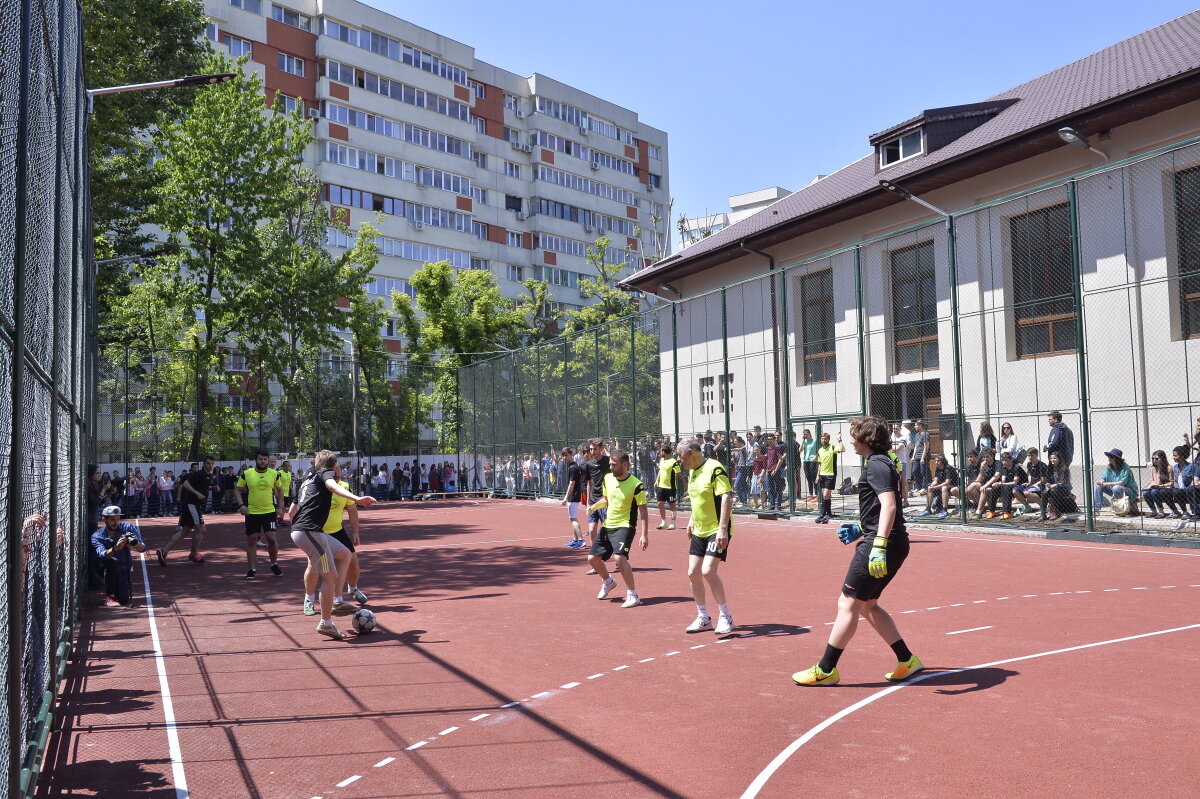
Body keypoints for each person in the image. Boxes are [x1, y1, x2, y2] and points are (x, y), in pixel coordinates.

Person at [793, 416, 919, 686]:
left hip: (884, 543)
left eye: (853, 435)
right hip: (886, 539)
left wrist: (878, 545)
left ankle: (826, 669)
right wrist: (862, 528)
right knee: (868, 605)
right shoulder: (883, 462)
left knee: (847, 603)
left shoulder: (876, 465)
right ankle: (907, 659)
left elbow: (889, 506)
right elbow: (882, 507)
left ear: (866, 438)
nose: (850, 439)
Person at [289, 450, 377, 640]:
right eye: (337, 466)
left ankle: (337, 601)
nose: (339, 470)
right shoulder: (325, 474)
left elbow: (291, 511)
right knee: (330, 576)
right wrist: (357, 499)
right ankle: (326, 623)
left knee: (345, 553)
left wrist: (297, 528)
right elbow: (332, 486)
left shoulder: (307, 480)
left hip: (308, 531)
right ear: (332, 465)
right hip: (309, 532)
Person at [676, 437, 736, 637]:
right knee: (693, 572)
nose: (679, 459)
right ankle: (703, 618)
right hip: (700, 530)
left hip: (716, 529)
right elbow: (697, 499)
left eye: (680, 455)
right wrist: (692, 519)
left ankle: (725, 616)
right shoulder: (692, 472)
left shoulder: (714, 468)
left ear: (691, 452)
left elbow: (726, 497)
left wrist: (722, 529)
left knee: (708, 571)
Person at [586, 449, 649, 608]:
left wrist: (644, 535)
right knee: (592, 559)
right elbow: (606, 499)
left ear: (625, 464)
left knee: (620, 558)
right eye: (610, 465)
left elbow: (643, 511)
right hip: (608, 525)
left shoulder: (636, 485)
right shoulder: (607, 478)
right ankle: (608, 582)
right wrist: (594, 506)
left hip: (625, 526)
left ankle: (633, 595)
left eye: (614, 465)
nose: (611, 467)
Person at [302, 462, 368, 617]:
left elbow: (352, 510)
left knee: (353, 565)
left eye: (340, 476)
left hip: (338, 531)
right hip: (318, 531)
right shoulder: (317, 486)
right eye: (335, 476)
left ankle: (352, 589)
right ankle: (308, 599)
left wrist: (355, 532)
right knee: (313, 567)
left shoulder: (344, 487)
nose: (337, 479)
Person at [235, 451, 285, 579]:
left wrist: (280, 507)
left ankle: (274, 564)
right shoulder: (247, 474)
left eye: (265, 459)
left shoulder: (275, 474)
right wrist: (241, 505)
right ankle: (252, 569)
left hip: (269, 511)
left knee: (271, 537)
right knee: (252, 540)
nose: (263, 461)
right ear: (255, 460)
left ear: (268, 460)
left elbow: (280, 490)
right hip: (252, 512)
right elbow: (237, 489)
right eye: (260, 459)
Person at [157, 457, 214, 565]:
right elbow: (186, 484)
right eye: (208, 463)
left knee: (186, 531)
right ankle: (194, 554)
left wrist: (212, 489)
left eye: (212, 463)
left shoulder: (208, 476)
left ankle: (163, 551)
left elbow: (201, 489)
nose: (210, 465)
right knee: (201, 529)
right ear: (204, 464)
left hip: (192, 505)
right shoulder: (199, 474)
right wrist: (197, 494)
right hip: (192, 504)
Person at [92, 505, 147, 607]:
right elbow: (103, 555)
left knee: (123, 599)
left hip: (123, 566)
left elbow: (143, 548)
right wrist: (116, 548)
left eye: (118, 519)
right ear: (104, 519)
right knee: (112, 561)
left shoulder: (127, 527)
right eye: (112, 520)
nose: (116, 523)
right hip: (105, 566)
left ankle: (120, 590)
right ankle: (109, 596)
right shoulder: (97, 536)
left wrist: (134, 544)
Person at [1093, 448, 1139, 513]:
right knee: (1098, 487)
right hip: (1115, 489)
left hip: (1130, 491)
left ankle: (1121, 509)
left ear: (1116, 459)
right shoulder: (1109, 467)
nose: (1109, 458)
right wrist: (1101, 481)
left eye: (1111, 457)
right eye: (1109, 456)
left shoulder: (1125, 467)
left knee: (1116, 488)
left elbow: (1122, 483)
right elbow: (1103, 477)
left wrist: (1106, 484)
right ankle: (1096, 509)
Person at [557, 447, 587, 549]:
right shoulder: (572, 466)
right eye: (563, 455)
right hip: (574, 495)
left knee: (573, 518)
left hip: (573, 496)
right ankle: (575, 540)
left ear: (571, 455)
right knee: (573, 516)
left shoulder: (573, 467)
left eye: (566, 455)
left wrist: (566, 497)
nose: (565, 457)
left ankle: (581, 540)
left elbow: (572, 483)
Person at [584, 438, 611, 545]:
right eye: (591, 449)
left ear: (601, 449)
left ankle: (610, 551)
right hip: (592, 501)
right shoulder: (589, 465)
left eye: (595, 449)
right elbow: (589, 483)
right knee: (591, 530)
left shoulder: (609, 462)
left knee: (608, 530)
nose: (592, 452)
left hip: (604, 501)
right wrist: (587, 503)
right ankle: (594, 553)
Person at [815, 431, 845, 524]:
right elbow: (820, 463)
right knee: (825, 496)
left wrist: (839, 440)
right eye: (822, 438)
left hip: (830, 475)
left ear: (828, 439)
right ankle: (827, 514)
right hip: (822, 475)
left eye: (825, 438)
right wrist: (817, 475)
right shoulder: (820, 450)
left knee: (825, 495)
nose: (824, 440)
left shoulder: (832, 447)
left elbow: (842, 449)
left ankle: (825, 513)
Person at [987, 451, 1026, 519]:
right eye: (1003, 460)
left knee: (1006, 488)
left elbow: (1015, 482)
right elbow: (1003, 481)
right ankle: (992, 511)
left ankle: (1007, 512)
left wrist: (1001, 484)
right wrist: (998, 484)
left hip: (1021, 486)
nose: (1004, 462)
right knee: (995, 489)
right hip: (1008, 486)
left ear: (1011, 460)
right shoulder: (1004, 468)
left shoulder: (1016, 467)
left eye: (1006, 460)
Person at [917, 454, 957, 519]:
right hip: (941, 486)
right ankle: (928, 509)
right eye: (935, 461)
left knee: (944, 488)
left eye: (938, 461)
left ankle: (945, 510)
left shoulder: (948, 468)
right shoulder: (937, 468)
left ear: (942, 461)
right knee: (930, 487)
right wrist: (932, 486)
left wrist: (935, 487)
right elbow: (936, 480)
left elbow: (947, 482)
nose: (936, 462)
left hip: (952, 486)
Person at [1168, 445, 1199, 528]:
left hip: (1190, 490)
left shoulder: (1191, 466)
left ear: (1182, 456)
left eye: (1175, 455)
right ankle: (1184, 512)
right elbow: (1176, 482)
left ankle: (1196, 513)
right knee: (1173, 491)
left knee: (1186, 490)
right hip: (1180, 491)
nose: (1173, 457)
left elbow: (1194, 481)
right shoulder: (1175, 467)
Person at [1041, 451, 1076, 522]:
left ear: (1059, 459)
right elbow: (1048, 480)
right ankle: (1042, 513)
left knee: (1054, 491)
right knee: (1044, 493)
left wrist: (1053, 485)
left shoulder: (1064, 469)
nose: (1052, 460)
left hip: (1064, 489)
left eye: (1054, 458)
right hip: (1053, 488)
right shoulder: (1050, 468)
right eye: (1051, 458)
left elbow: (1064, 483)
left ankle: (1056, 512)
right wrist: (1047, 485)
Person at [654, 444, 681, 530]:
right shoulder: (662, 460)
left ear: (664, 452)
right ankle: (663, 522)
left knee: (672, 504)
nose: (659, 452)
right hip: (661, 487)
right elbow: (660, 471)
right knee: (660, 503)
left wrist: (686, 484)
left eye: (661, 451)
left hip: (671, 488)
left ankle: (672, 523)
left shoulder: (674, 462)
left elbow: (679, 474)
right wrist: (656, 481)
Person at [1014, 448, 1047, 515]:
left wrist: (1034, 485)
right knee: (1015, 490)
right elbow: (1029, 474)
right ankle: (1027, 506)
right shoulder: (1029, 464)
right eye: (1028, 455)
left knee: (1026, 492)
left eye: (1032, 455)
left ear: (1037, 455)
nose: (1030, 457)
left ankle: (1043, 507)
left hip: (1040, 485)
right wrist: (1029, 482)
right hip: (1031, 485)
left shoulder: (1043, 465)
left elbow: (1043, 480)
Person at [1142, 450, 1175, 519]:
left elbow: (1171, 482)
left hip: (1166, 488)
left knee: (1154, 491)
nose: (1154, 460)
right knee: (1145, 493)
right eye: (1153, 459)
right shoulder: (1154, 468)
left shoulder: (1168, 468)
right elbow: (1154, 480)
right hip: (1157, 488)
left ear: (1162, 458)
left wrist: (1161, 486)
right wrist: (1148, 487)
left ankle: (1161, 512)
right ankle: (1154, 511)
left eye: (1157, 458)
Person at [968, 448, 997, 520]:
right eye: (984, 457)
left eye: (987, 456)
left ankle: (978, 512)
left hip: (996, 485)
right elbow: (979, 480)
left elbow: (996, 477)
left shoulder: (997, 463)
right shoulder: (984, 466)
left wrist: (985, 485)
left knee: (983, 489)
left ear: (992, 456)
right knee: (970, 489)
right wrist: (981, 468)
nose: (985, 459)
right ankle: (981, 507)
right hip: (986, 485)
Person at [910, 421, 930, 493]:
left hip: (923, 456)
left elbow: (926, 446)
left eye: (916, 425)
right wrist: (913, 456)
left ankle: (925, 487)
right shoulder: (916, 435)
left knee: (923, 472)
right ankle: (919, 487)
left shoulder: (925, 434)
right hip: (916, 456)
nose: (915, 427)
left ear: (920, 425)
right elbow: (916, 446)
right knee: (915, 471)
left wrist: (922, 457)